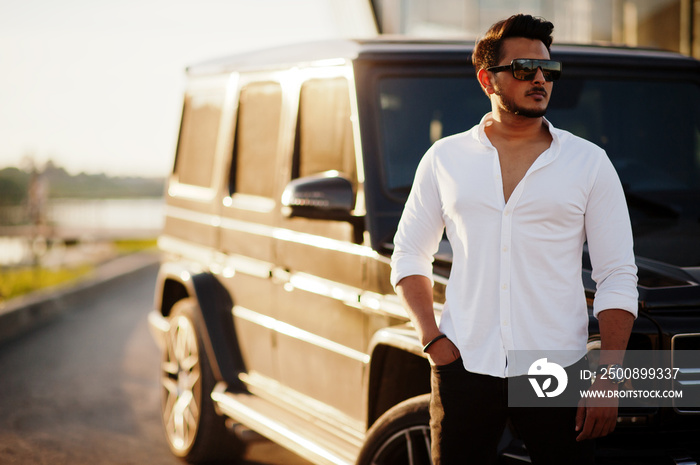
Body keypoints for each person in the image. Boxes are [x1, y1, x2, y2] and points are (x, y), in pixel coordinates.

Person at [390, 14, 639, 465]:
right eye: (525, 69)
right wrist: (431, 339)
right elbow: (409, 253)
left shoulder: (589, 163)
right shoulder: (445, 158)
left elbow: (617, 275)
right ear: (489, 78)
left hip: (556, 370)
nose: (540, 79)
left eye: (549, 70)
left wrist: (608, 378)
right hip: (464, 365)